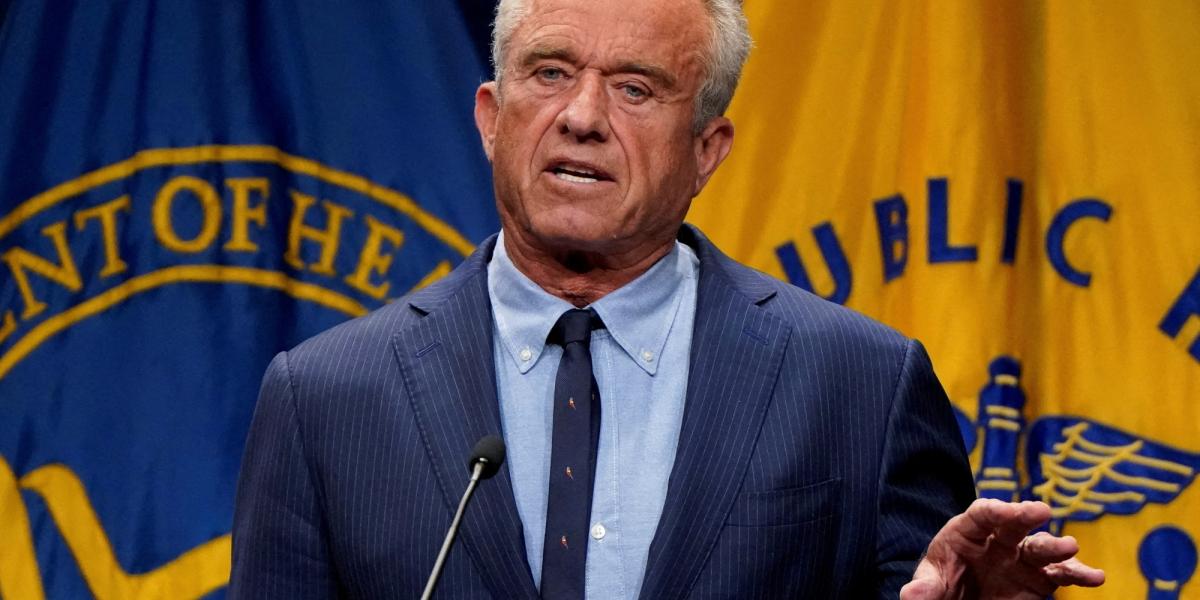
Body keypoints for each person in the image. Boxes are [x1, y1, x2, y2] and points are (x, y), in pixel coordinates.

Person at [230, 0, 1106, 597]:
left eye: (636, 88)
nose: (581, 116)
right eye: (549, 73)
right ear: (492, 117)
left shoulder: (861, 387)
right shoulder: (325, 399)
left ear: (707, 150)